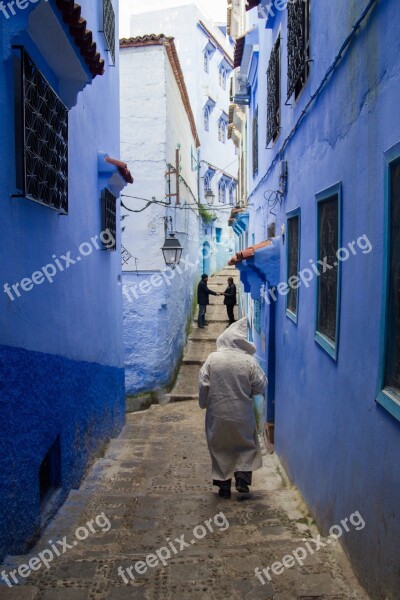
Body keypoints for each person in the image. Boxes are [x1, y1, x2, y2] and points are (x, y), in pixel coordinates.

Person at [198, 318, 267, 498]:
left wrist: (203, 403)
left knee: (220, 447)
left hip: (217, 414)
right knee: (244, 446)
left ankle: (224, 485)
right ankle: (242, 481)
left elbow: (203, 383)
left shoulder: (213, 359)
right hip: (242, 414)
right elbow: (260, 385)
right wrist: (248, 390)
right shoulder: (248, 361)